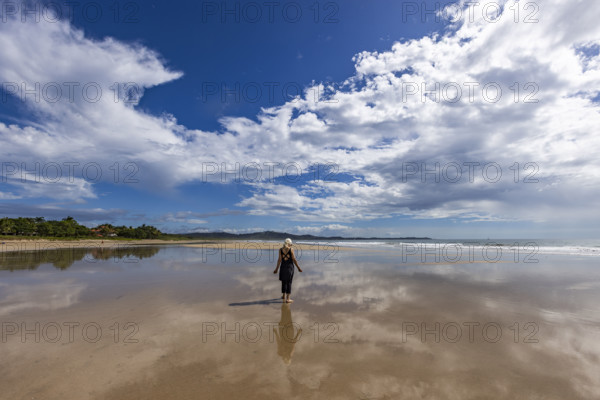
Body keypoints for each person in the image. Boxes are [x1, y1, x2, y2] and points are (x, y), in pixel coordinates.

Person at [273, 238, 302, 303]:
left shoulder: (280, 250)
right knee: (289, 282)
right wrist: (298, 268)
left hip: (282, 267)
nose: (291, 244)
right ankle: (288, 299)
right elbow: (294, 259)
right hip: (289, 268)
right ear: (289, 243)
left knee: (283, 281)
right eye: (291, 243)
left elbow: (279, 260)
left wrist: (276, 269)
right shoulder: (291, 249)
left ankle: (283, 296)